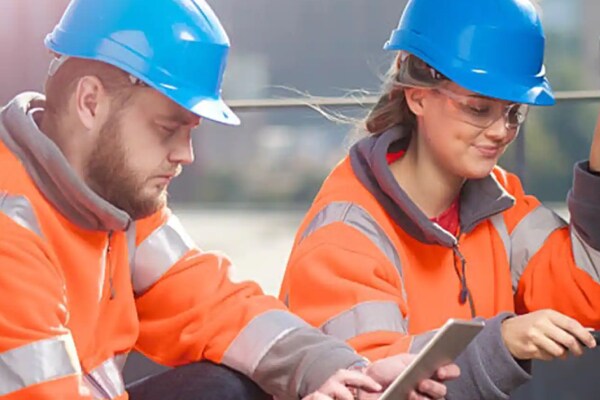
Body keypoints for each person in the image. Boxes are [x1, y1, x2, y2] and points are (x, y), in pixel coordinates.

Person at [0, 0, 461, 399]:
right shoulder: (11, 230)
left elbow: (217, 305)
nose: (186, 155)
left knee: (226, 387)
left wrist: (346, 372)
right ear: (90, 102)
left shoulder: (114, 204)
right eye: (167, 129)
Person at [279, 0, 600, 398]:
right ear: (416, 96)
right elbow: (372, 385)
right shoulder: (344, 235)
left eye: (514, 112)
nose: (501, 131)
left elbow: (587, 287)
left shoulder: (501, 203)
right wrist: (500, 342)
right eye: (479, 108)